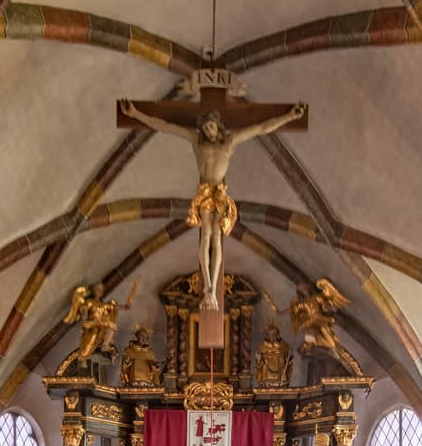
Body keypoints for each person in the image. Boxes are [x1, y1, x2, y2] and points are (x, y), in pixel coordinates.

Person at [119, 96, 307, 308]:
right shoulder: (195, 140)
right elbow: (165, 126)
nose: (208, 131)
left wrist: (290, 116)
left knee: (216, 237)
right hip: (205, 194)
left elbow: (261, 127)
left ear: (218, 126)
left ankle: (213, 287)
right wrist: (136, 114)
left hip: (220, 194)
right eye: (205, 128)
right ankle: (207, 285)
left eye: (210, 127)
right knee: (206, 235)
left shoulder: (230, 142)